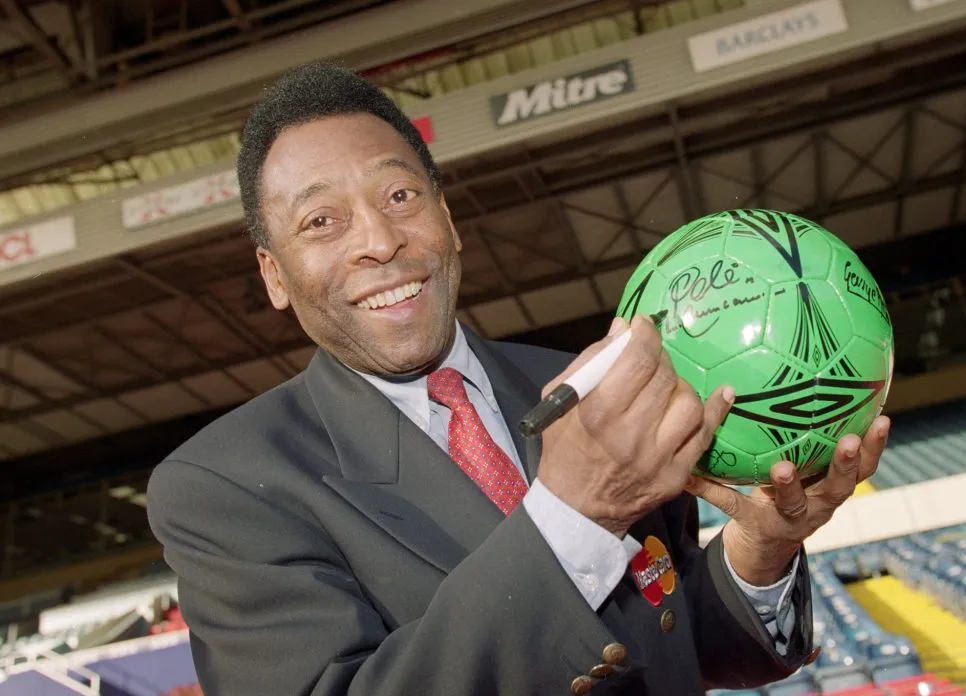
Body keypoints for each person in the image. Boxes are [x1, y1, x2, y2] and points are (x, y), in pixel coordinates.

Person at [146, 60, 890, 696]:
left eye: (399, 196)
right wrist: (574, 516)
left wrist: (757, 557)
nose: (378, 240)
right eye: (320, 222)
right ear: (274, 275)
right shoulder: (223, 487)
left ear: (447, 215)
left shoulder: (589, 384)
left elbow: (670, 644)